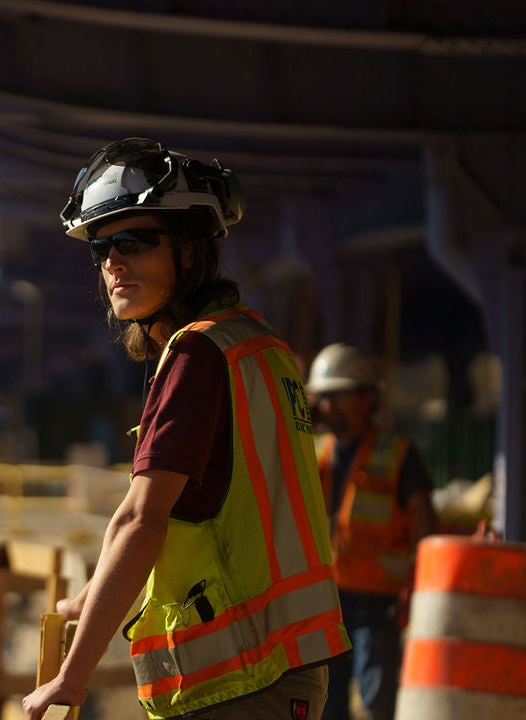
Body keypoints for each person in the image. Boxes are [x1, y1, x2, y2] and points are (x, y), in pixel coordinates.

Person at [23, 137, 350, 720]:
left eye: (133, 240)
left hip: (240, 678)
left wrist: (71, 679)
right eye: (101, 248)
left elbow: (141, 520)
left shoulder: (197, 354)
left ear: (192, 251)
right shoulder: (261, 347)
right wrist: (92, 601)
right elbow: (206, 522)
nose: (113, 262)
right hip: (284, 667)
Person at [304, 343, 437, 720]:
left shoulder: (398, 453)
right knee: (327, 703)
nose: (327, 407)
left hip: (378, 600)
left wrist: (420, 585)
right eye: (322, 399)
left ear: (366, 398)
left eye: (336, 397)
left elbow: (424, 522)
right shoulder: (316, 452)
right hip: (328, 598)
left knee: (377, 699)